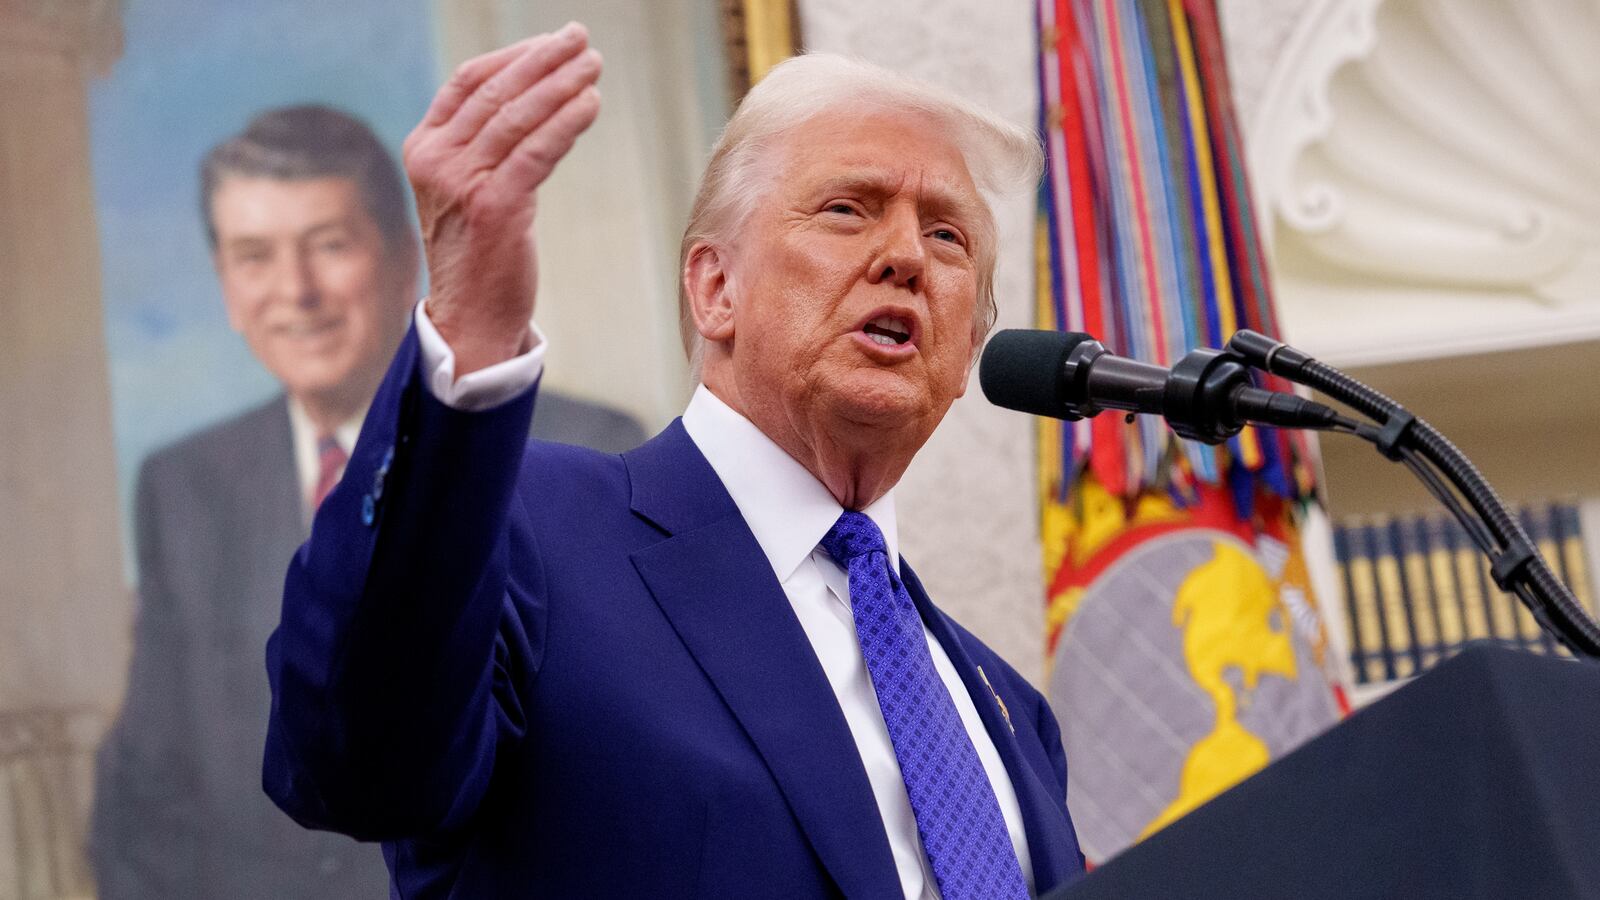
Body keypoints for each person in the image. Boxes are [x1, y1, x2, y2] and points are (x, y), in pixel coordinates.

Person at [265, 24, 1085, 899]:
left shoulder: (1009, 712)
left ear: (965, 352)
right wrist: (467, 332)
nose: (906, 257)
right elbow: (352, 760)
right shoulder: (535, 536)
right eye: (848, 209)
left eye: (949, 238)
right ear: (714, 288)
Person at [91, 104, 644, 899]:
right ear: (224, 285)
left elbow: (618, 759)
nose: (296, 291)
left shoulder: (585, 445)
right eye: (254, 257)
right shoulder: (184, 483)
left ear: (404, 263)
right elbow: (148, 784)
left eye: (329, 246)